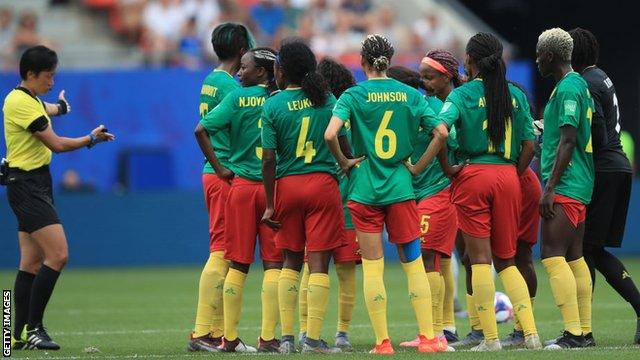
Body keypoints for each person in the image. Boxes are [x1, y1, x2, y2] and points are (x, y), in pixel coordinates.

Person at [324, 34, 449, 355]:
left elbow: (330, 134)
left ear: (363, 62)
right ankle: (428, 339)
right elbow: (441, 132)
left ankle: (382, 343)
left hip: (364, 189)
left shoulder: (353, 95)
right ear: (388, 61)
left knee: (374, 267)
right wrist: (418, 167)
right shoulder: (410, 94)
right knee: (413, 264)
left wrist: (346, 162)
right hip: (400, 188)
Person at [5, 45, 114, 350]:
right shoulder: (19, 102)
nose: (52, 82)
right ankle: (34, 328)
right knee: (58, 255)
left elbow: (48, 109)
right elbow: (56, 144)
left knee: (30, 262)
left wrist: (62, 107)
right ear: (30, 75)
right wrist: (90, 139)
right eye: (48, 76)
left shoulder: (30, 99)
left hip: (33, 182)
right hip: (27, 186)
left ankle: (15, 335)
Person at [437, 32, 540, 351]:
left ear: (470, 60)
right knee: (508, 259)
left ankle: (490, 339)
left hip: (474, 175)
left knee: (479, 260)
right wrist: (514, 172)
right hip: (508, 177)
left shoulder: (462, 95)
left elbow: (440, 130)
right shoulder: (515, 95)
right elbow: (530, 144)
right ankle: (532, 334)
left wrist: (448, 167)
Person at [260, 40, 344, 354]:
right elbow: (343, 146)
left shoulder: (273, 105)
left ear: (281, 71)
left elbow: (268, 160)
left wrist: (270, 203)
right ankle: (313, 340)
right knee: (319, 263)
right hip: (322, 185)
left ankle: (285, 339)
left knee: (290, 262)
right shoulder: (328, 99)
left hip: (288, 187)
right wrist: (344, 164)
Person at [195, 47, 280, 353]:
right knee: (274, 265)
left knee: (237, 264)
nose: (239, 72)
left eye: (244, 68)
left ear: (261, 71)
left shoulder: (236, 98)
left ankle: (228, 339)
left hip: (241, 188)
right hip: (273, 189)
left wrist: (220, 168)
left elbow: (201, 129)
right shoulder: (278, 99)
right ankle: (269, 339)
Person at [569, 27, 640, 344]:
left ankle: (582, 330)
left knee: (585, 249)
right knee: (592, 249)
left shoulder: (585, 83)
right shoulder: (601, 77)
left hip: (605, 169)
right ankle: (584, 328)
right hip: (618, 166)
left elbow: (596, 133)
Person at [385, 56, 461, 352]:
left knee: (428, 258)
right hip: (419, 194)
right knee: (436, 260)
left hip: (435, 192)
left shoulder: (429, 109)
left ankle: (435, 333)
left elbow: (449, 139)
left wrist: (425, 169)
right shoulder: (411, 109)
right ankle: (444, 328)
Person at [188, 22, 255, 352]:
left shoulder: (210, 80)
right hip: (224, 174)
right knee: (222, 250)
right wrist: (222, 168)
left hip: (214, 173)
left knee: (225, 250)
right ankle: (202, 332)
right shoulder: (231, 88)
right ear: (243, 51)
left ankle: (213, 332)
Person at [536, 27, 595, 349]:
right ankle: (584, 331)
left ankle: (573, 333)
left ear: (549, 55)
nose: (536, 60)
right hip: (579, 181)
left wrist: (550, 188)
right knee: (574, 257)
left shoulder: (570, 88)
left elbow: (569, 140)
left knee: (551, 255)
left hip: (568, 183)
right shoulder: (576, 85)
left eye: (538, 54)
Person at [296, 57, 359, 352]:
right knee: (346, 272)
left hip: (318, 200)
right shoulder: (349, 112)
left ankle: (306, 330)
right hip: (346, 202)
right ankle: (342, 333)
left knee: (312, 267)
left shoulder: (316, 113)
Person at [501, 82, 543, 348]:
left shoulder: (516, 112)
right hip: (509, 182)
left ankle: (522, 327)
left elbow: (530, 144)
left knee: (521, 255)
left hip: (520, 182)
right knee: (509, 256)